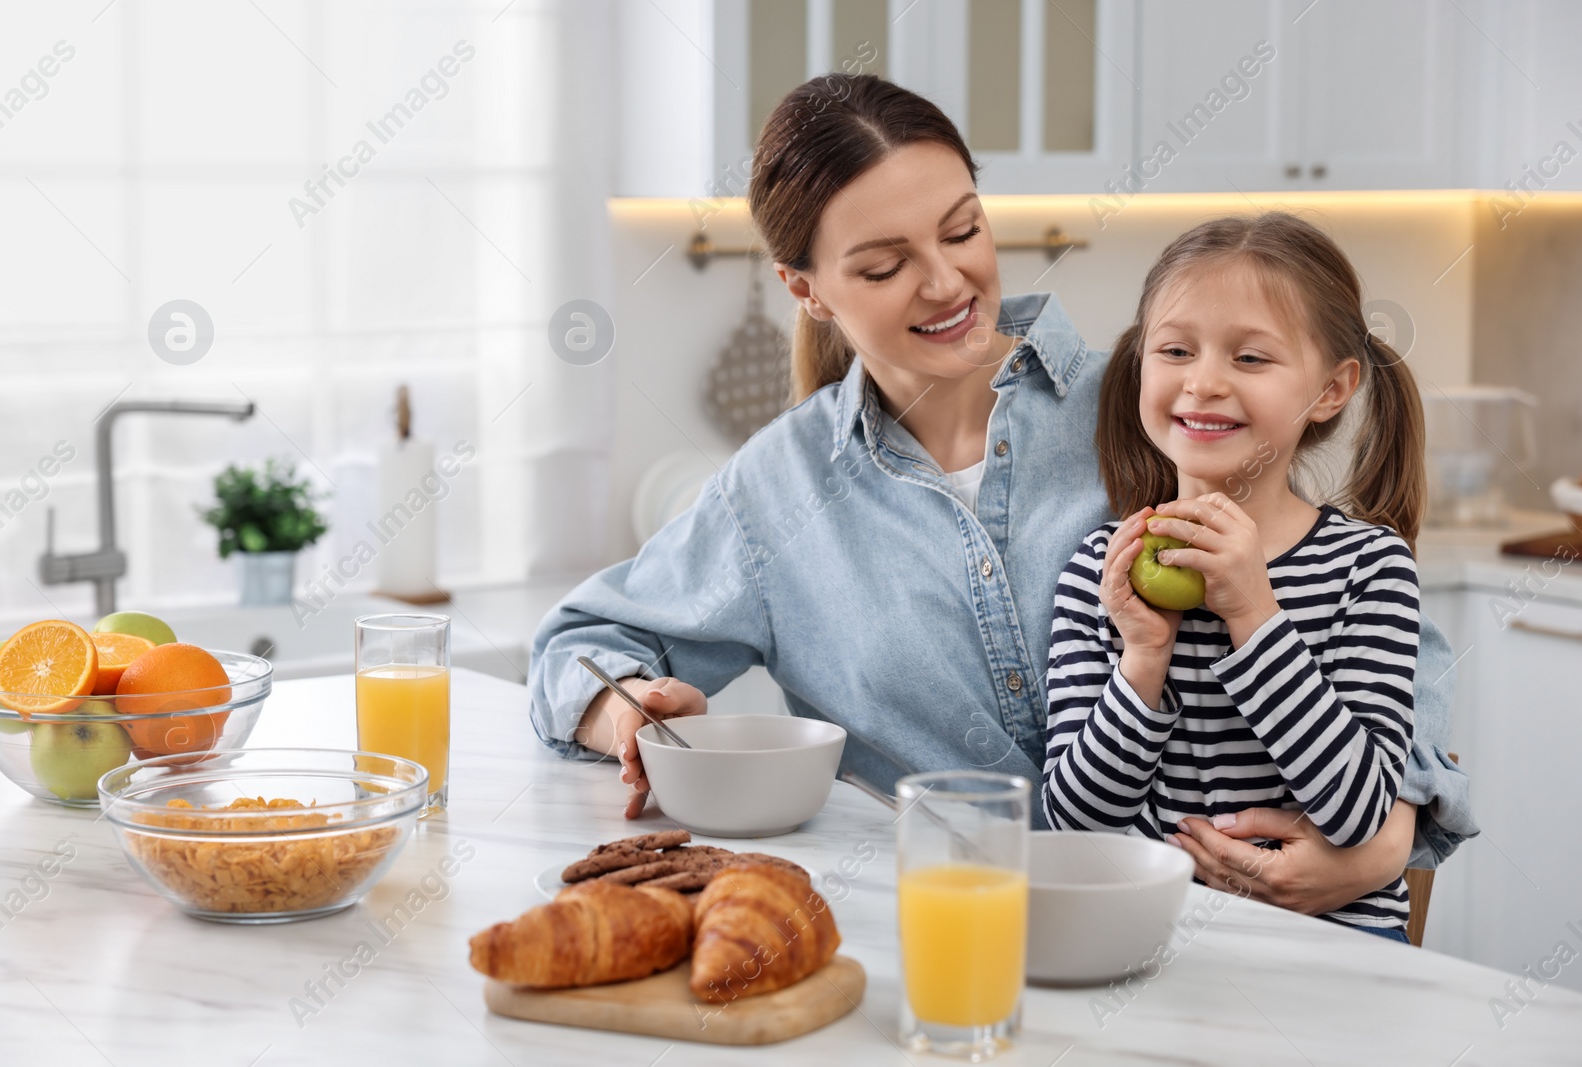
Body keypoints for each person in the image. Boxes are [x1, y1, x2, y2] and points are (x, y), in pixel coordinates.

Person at [527, 74, 1476, 920]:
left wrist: (1386, 839)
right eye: (884, 264)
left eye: (963, 228)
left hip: (1195, 934)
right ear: (805, 287)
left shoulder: (1156, 403)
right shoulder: (777, 491)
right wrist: (632, 715)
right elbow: (577, 648)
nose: (947, 281)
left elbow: (1376, 628)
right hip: (953, 933)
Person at [1040, 213, 1429, 940]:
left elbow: (1357, 810)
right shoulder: (1103, 569)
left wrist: (1256, 614)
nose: (1205, 381)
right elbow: (1076, 819)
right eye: (1176, 350)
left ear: (1331, 389)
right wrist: (1144, 658)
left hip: (1335, 954)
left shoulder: (1369, 569)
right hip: (1162, 944)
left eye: (1251, 359)